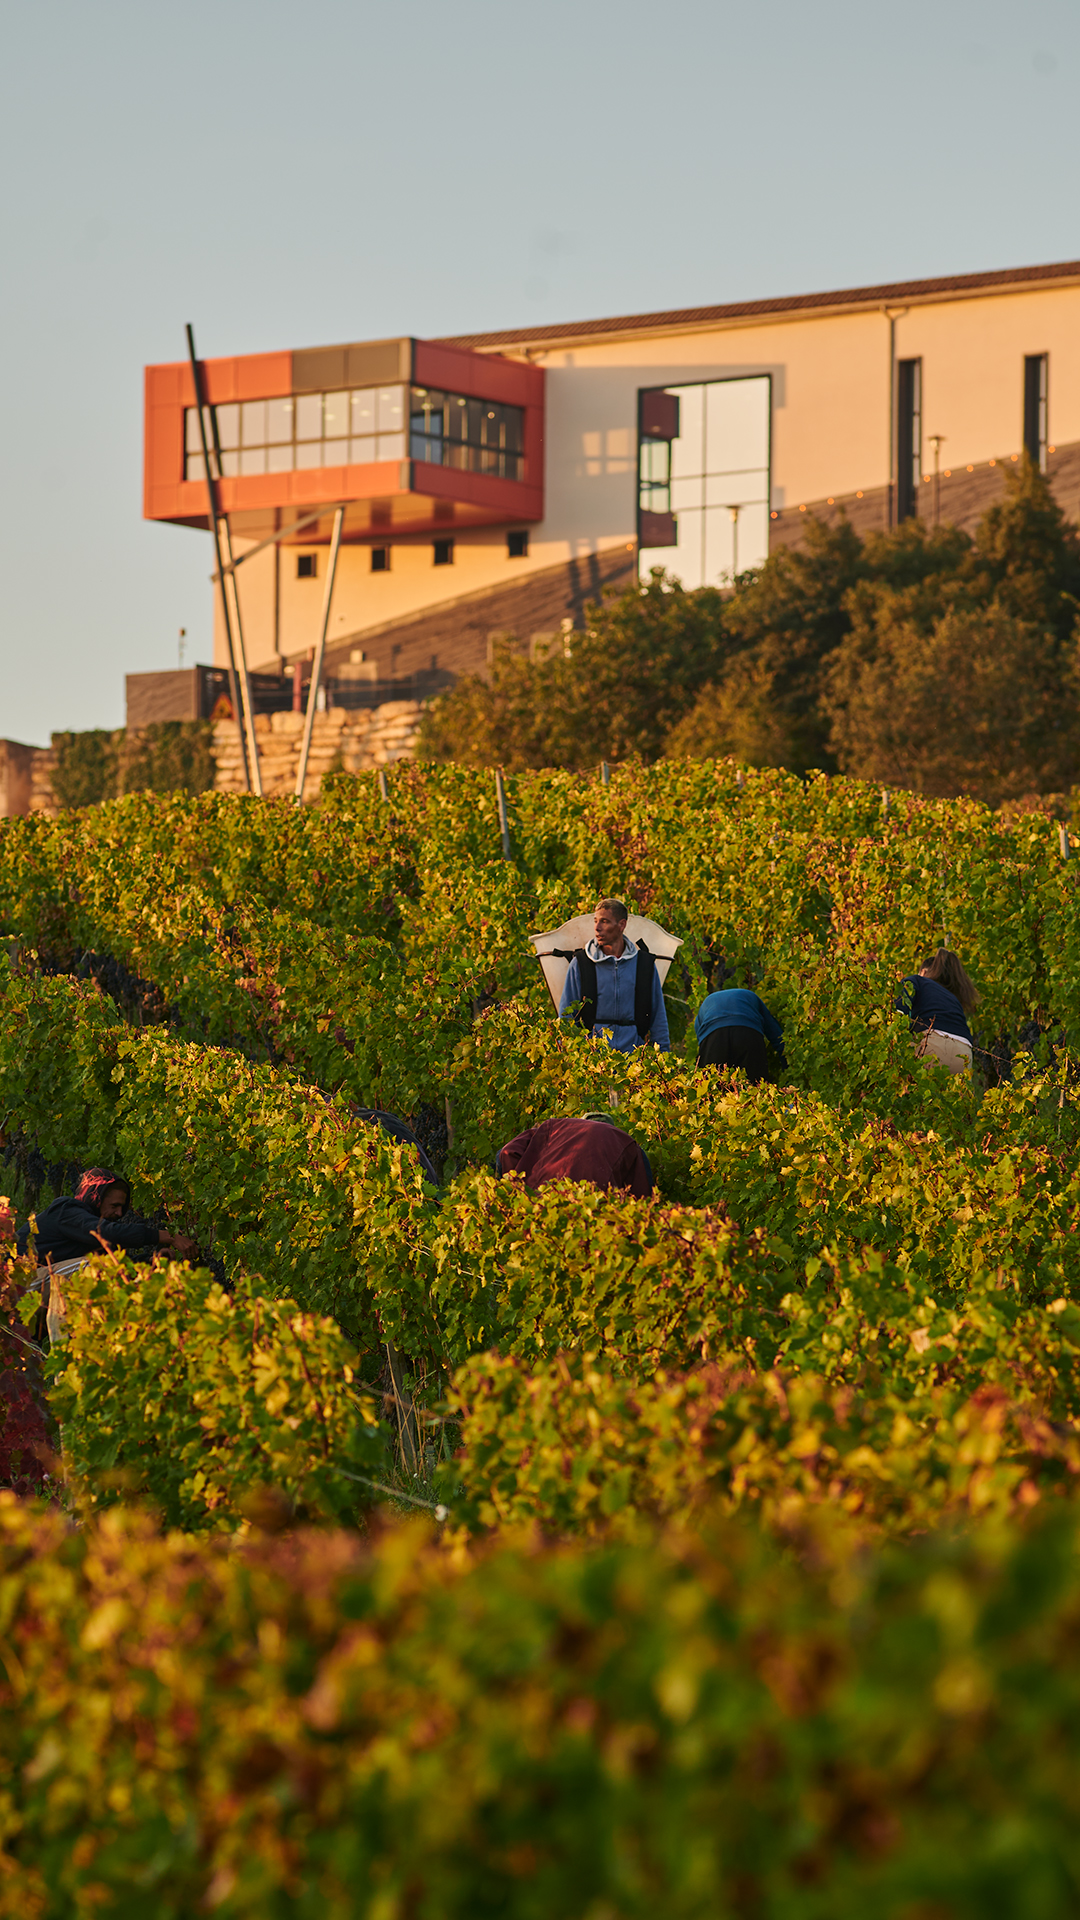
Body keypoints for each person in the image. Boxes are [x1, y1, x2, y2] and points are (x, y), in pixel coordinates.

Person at [18, 1168, 198, 1267]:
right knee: (93, 1269)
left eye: (122, 1207)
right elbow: (105, 1232)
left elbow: (113, 1261)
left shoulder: (87, 1229)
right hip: (17, 1280)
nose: (119, 1214)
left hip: (35, 1280)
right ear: (94, 1197)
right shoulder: (66, 1209)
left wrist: (150, 1260)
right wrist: (167, 1236)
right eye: (114, 1206)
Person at [558, 898, 670, 1054]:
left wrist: (664, 1058)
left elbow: (658, 1017)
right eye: (595, 921)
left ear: (621, 925)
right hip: (592, 1060)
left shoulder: (644, 965)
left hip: (634, 1061)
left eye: (604, 921)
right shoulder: (581, 964)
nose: (597, 928)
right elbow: (566, 1017)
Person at [496, 1113, 653, 1196]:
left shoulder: (555, 1127)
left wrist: (514, 1194)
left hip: (541, 1198)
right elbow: (642, 1192)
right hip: (594, 1206)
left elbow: (507, 1152)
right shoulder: (626, 1143)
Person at [897, 948, 978, 1075]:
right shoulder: (953, 998)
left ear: (923, 971)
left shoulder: (918, 980)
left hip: (933, 1044)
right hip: (964, 1053)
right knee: (952, 1094)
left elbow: (897, 1010)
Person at [694, 988, 787, 1084]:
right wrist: (787, 1068)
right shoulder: (752, 996)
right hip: (748, 1032)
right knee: (755, 1087)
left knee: (711, 1086)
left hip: (714, 1036)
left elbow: (701, 1038)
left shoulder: (707, 1002)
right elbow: (775, 1034)